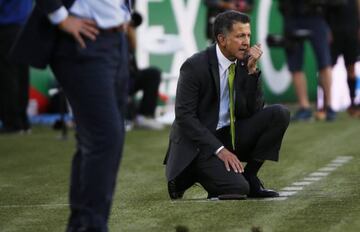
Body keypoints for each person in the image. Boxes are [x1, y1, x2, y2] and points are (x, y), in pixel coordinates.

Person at [10, 0, 131, 231]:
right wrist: (60, 17)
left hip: (116, 40)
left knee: (100, 140)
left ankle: (81, 226)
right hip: (81, 40)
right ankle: (91, 226)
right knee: (105, 138)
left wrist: (123, 13)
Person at [164, 11, 290, 200]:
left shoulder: (242, 64)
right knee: (238, 189)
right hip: (198, 144)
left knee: (279, 114)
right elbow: (184, 117)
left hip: (227, 134)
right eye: (240, 36)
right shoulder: (195, 66)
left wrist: (251, 72)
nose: (247, 42)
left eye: (248, 35)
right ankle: (185, 177)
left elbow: (253, 112)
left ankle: (250, 176)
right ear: (222, 39)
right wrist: (220, 150)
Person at [279, 0, 336, 121]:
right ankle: (304, 107)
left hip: (316, 15)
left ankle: (329, 106)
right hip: (292, 15)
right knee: (295, 64)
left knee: (324, 61)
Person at [126, 12, 164, 130]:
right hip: (112, 80)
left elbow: (132, 64)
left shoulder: (127, 39)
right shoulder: (109, 36)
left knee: (153, 74)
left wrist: (130, 32)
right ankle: (123, 117)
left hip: (128, 79)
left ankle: (144, 117)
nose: (131, 27)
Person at [0, 0, 32, 134]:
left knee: (8, 77)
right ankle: (23, 121)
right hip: (24, 27)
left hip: (7, 28)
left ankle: (13, 123)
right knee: (21, 74)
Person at [326, 0, 360, 117]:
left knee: (351, 68)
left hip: (351, 30)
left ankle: (353, 103)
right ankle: (326, 105)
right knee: (327, 67)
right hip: (334, 30)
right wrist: (326, 28)